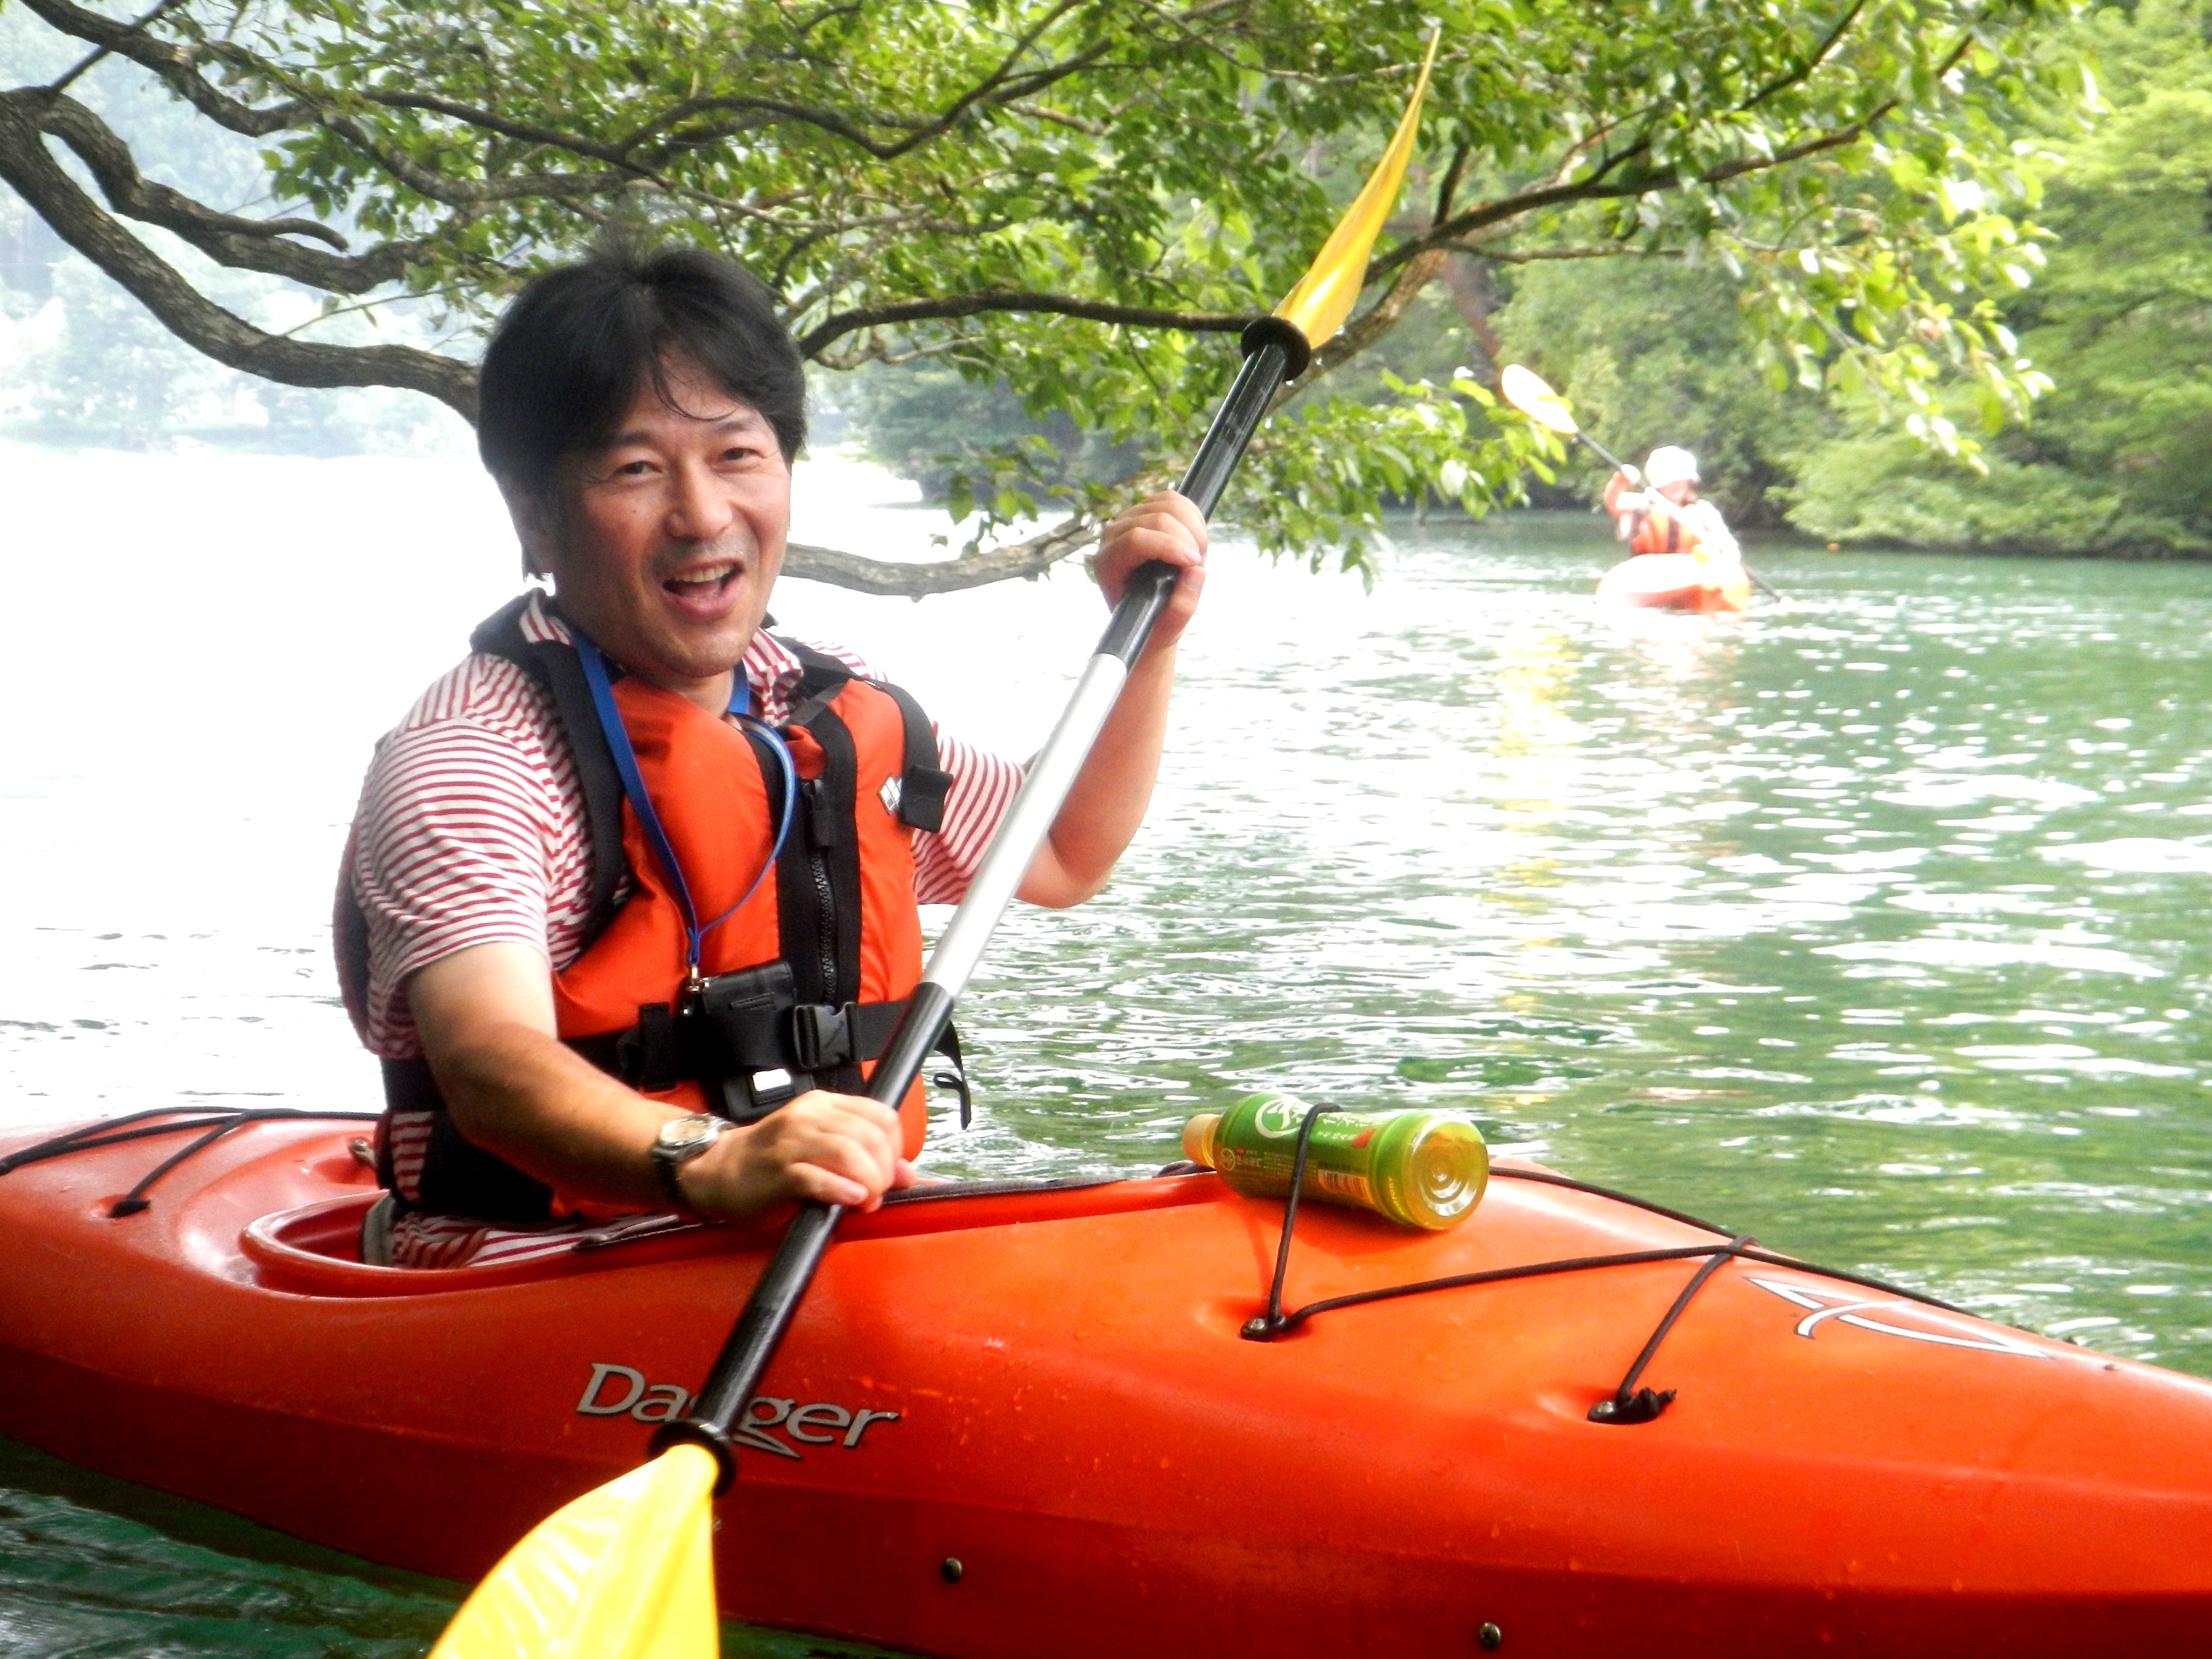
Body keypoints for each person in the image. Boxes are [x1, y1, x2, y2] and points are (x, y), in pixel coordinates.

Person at [335, 243, 1206, 1269]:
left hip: (807, 1239)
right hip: (526, 1268)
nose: (702, 514)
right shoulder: (473, 758)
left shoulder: (817, 700)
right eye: (635, 468)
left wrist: (1150, 644)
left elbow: (1061, 852)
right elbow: (490, 1062)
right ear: (535, 514)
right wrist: (713, 1157)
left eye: (737, 455)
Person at [1601, 447, 1740, 562]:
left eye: (1681, 479)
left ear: (1689, 482)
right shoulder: (1640, 504)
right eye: (1670, 480)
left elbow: (1729, 547)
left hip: (1691, 576)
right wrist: (1619, 482)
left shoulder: (1704, 511)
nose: (1676, 484)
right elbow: (1612, 503)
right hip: (1648, 576)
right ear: (1658, 484)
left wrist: (1727, 553)